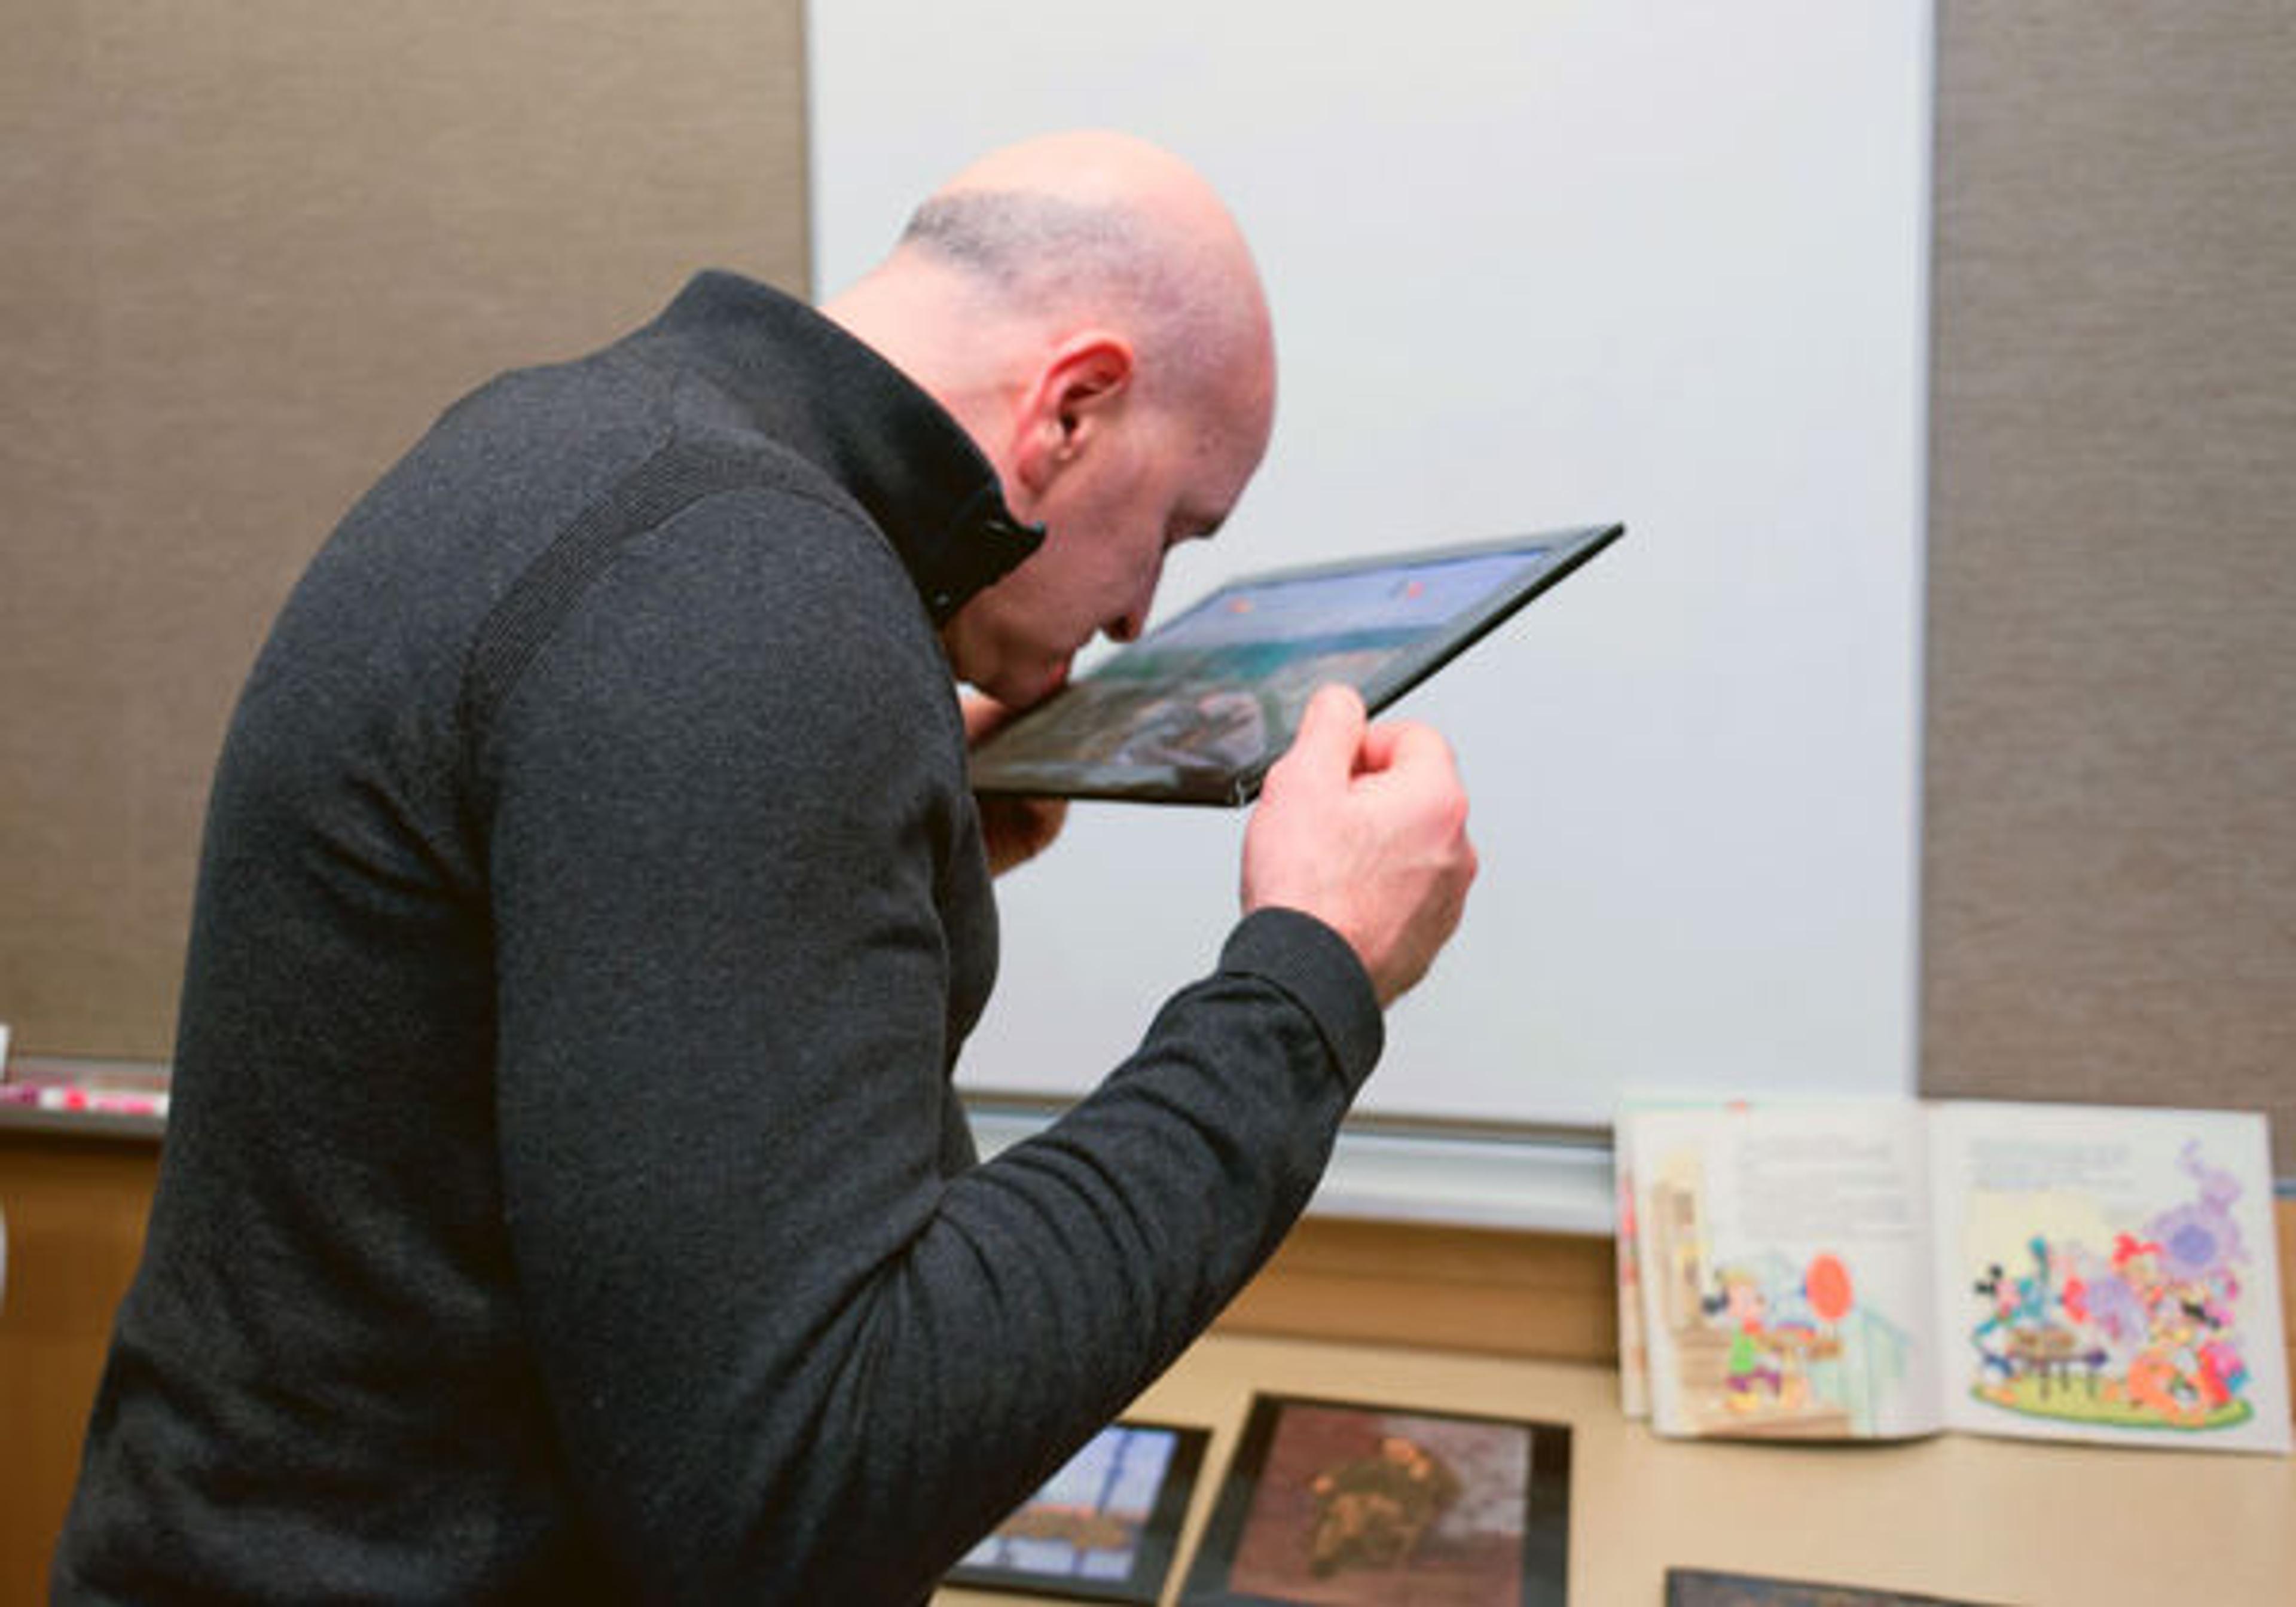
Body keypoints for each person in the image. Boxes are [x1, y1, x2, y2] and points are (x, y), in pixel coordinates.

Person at [54, 130, 1476, 1604]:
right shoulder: (747, 597)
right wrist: (1310, 976)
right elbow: (804, 1489)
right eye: (1175, 529)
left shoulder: (586, 449)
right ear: (1075, 407)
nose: (1136, 617)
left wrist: (874, 829)